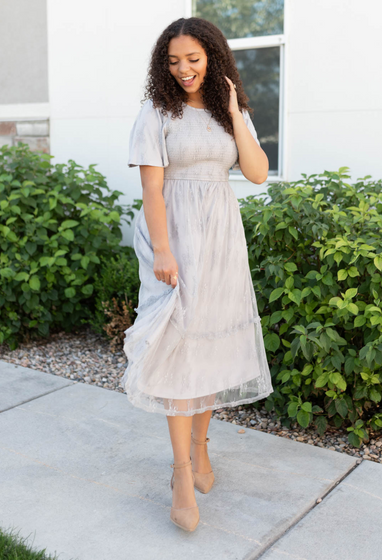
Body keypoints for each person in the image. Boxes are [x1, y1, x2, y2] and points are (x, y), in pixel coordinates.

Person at [121, 16, 274, 532]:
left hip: (222, 241)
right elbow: (152, 192)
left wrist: (233, 112)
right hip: (178, 242)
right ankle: (181, 472)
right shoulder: (155, 112)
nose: (184, 69)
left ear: (212, 56)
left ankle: (203, 448)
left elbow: (255, 172)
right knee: (182, 346)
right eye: (173, 61)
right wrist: (163, 252)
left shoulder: (228, 110)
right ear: (163, 66)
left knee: (210, 346)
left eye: (193, 58)